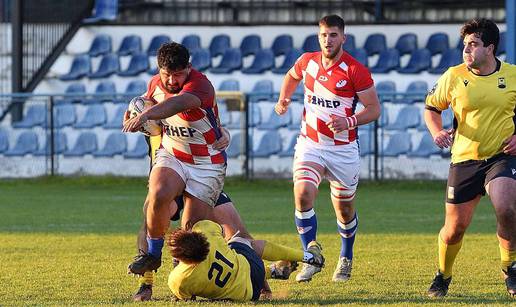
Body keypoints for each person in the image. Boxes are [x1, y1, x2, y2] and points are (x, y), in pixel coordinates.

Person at [274, 14, 380, 282]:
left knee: (344, 209)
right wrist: (284, 98)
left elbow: (374, 109)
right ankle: (311, 255)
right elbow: (291, 76)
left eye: (333, 35)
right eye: (324, 35)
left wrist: (349, 121)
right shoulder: (307, 61)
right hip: (310, 144)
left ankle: (346, 257)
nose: (328, 40)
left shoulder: (355, 70)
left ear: (343, 37)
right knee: (302, 194)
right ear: (318, 36)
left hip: (342, 150)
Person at [424, 18, 516, 297]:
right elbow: (431, 107)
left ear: (490, 48)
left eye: (473, 44)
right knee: (454, 229)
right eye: (465, 45)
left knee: (507, 207)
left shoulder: (512, 75)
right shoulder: (454, 76)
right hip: (465, 159)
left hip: (501, 157)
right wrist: (437, 131)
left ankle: (510, 268)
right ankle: (443, 274)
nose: (467, 50)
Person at [123, 42, 227, 276]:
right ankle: (152, 255)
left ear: (188, 68)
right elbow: (144, 103)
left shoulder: (200, 85)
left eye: (177, 74)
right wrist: (132, 112)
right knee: (157, 196)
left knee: (189, 232)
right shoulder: (154, 84)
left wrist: (144, 116)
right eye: (166, 74)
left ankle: (181, 283)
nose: (171, 80)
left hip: (206, 163)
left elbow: (175, 104)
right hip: (173, 154)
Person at [167, 219, 324, 301]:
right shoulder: (205, 230)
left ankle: (274, 271)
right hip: (253, 268)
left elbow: (189, 298)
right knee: (241, 240)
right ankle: (309, 257)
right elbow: (221, 231)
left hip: (248, 294)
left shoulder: (177, 280)